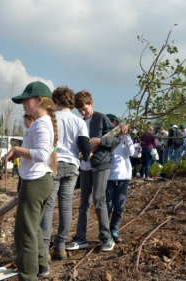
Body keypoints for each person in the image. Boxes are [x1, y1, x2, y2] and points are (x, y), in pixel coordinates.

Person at [3, 81, 57, 280]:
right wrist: (19, 154)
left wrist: (16, 150)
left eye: (26, 99)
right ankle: (42, 265)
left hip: (35, 183)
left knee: (24, 233)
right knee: (33, 228)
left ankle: (28, 276)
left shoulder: (42, 124)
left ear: (39, 100)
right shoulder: (43, 123)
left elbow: (43, 154)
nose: (23, 103)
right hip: (39, 181)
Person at [39, 86, 90, 262]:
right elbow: (86, 149)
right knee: (66, 207)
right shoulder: (79, 122)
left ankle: (44, 248)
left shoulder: (49, 119)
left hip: (53, 165)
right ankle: (60, 247)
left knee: (48, 206)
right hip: (72, 165)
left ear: (57, 101)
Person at [66, 90, 120, 254]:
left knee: (99, 199)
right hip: (84, 166)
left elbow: (115, 139)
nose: (83, 112)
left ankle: (106, 237)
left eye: (85, 108)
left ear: (91, 103)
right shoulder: (79, 122)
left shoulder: (101, 118)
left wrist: (101, 140)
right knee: (83, 203)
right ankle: (80, 238)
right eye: (80, 110)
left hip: (101, 164)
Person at [105, 114, 133, 243]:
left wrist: (125, 137)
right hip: (108, 176)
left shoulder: (126, 138)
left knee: (119, 205)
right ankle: (104, 232)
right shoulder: (105, 139)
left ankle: (114, 229)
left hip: (123, 176)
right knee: (107, 205)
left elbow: (131, 152)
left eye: (113, 124)